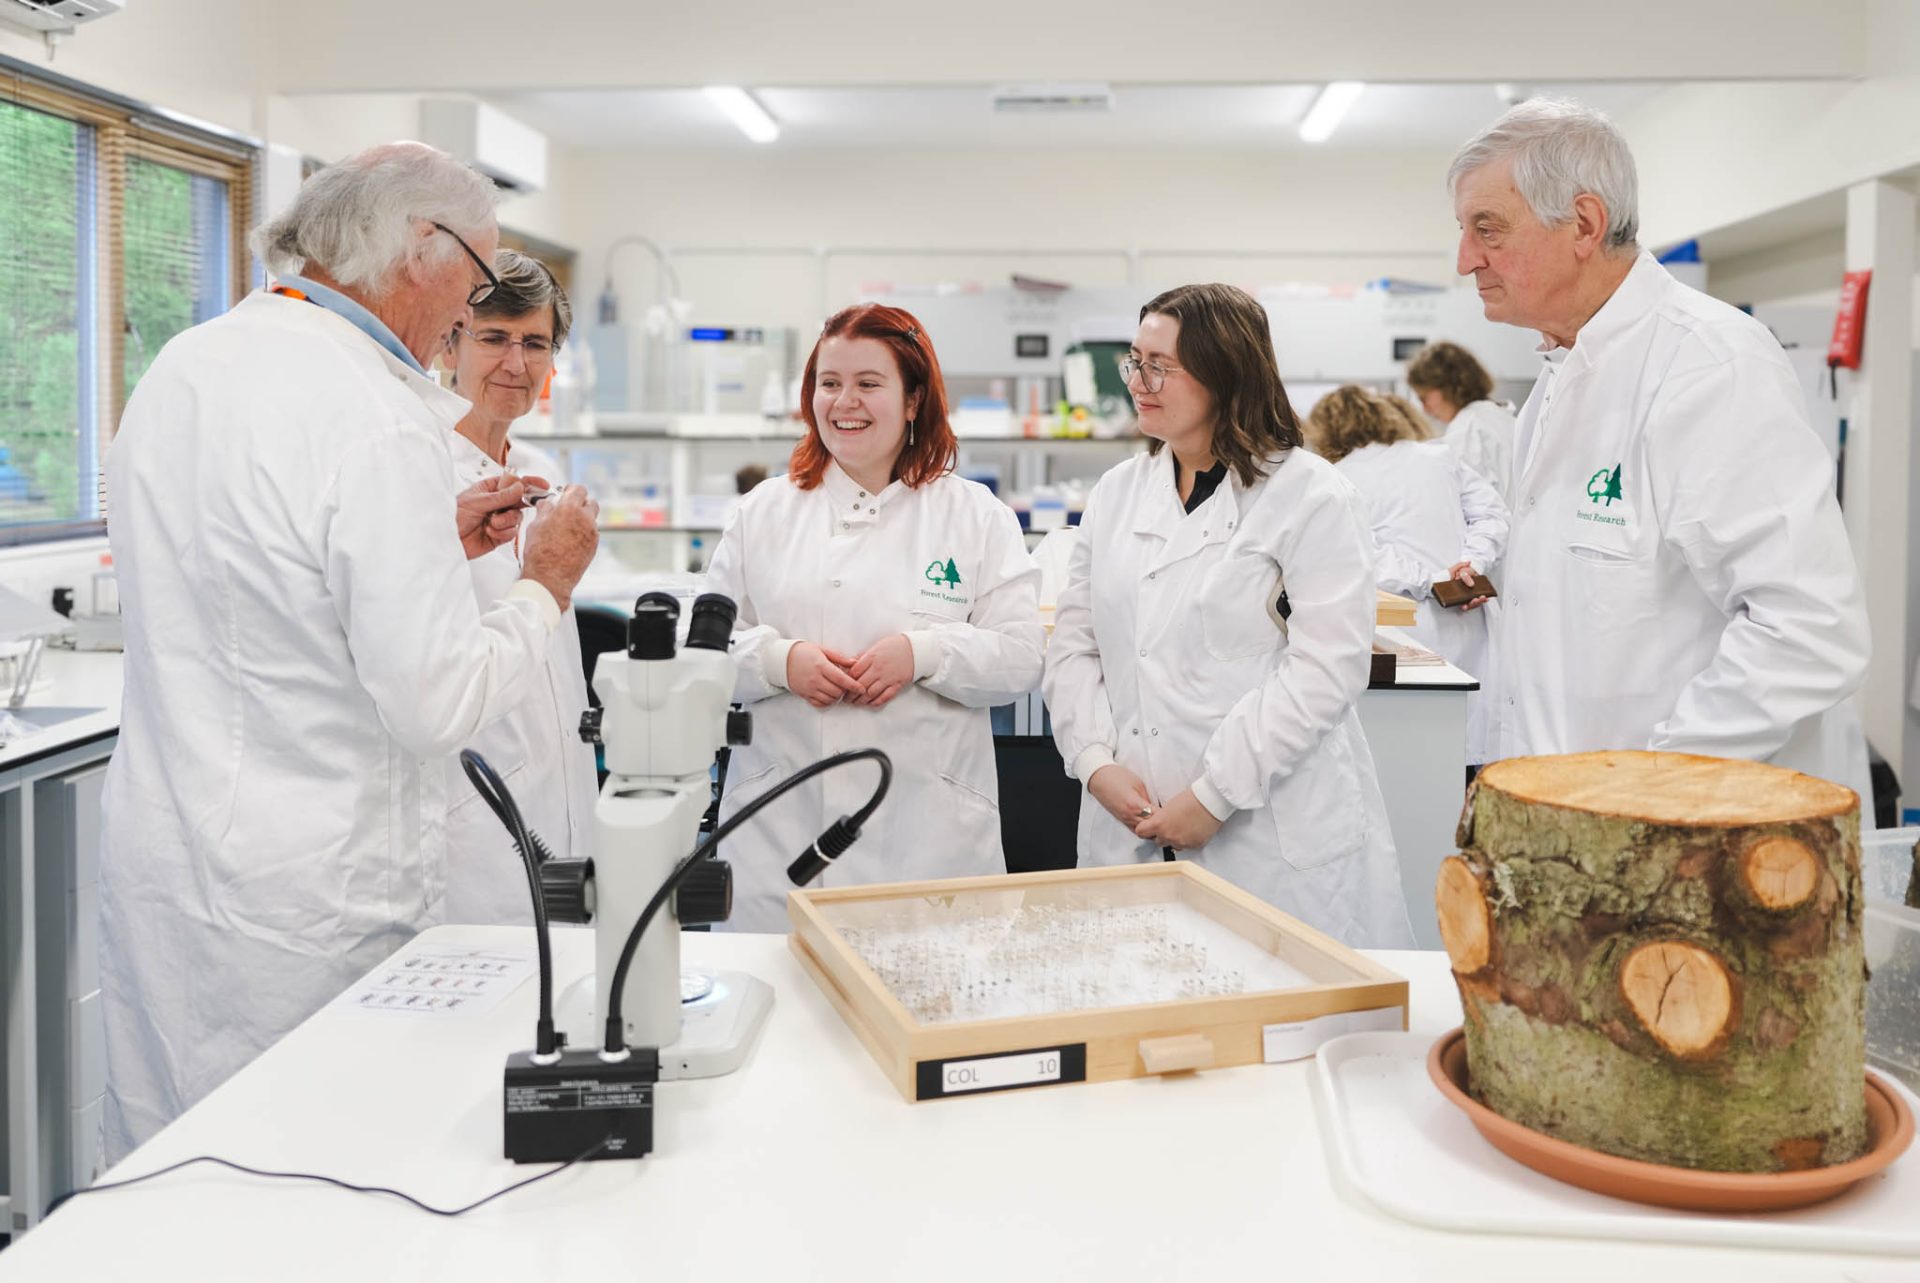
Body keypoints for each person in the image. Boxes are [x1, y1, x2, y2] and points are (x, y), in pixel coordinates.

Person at [101, 143, 600, 1159]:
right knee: (325, 1182)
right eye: (471, 282)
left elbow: (259, 574)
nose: (466, 317)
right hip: (316, 896)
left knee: (178, 1171)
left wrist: (426, 541)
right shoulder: (377, 413)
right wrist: (544, 581)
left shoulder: (189, 362)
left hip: (178, 857)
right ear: (422, 246)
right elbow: (438, 701)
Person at [1448, 99, 1870, 795]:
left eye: (1486, 229)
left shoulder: (1708, 365)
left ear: (1584, 223)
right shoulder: (1559, 378)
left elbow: (1808, 630)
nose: (1467, 260)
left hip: (1681, 835)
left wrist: (1641, 789)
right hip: (1563, 814)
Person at [1043, 284, 1413, 948]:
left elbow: (1326, 669)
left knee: (1277, 1022)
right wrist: (1093, 760)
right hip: (1129, 820)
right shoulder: (1116, 494)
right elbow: (1075, 645)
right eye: (1135, 360)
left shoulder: (1310, 496)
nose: (1138, 381)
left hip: (1265, 833)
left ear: (1225, 372)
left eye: (1161, 365)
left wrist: (1216, 793)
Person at [703, 303, 1043, 930]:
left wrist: (927, 654)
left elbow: (1021, 656)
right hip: (783, 837)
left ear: (913, 399)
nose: (843, 402)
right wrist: (779, 661)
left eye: (868, 384)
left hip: (927, 846)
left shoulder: (973, 515)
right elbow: (699, 653)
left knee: (933, 1011)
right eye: (829, 383)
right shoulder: (763, 513)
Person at [436, 250, 598, 923]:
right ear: (450, 342)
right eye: (494, 338)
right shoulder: (419, 467)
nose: (516, 362)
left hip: (563, 791)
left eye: (535, 342)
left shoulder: (541, 468)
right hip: (470, 810)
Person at [1304, 386, 1508, 762]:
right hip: (1470, 618)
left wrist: (1430, 579)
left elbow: (1362, 556)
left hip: (1404, 632)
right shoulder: (1441, 457)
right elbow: (1493, 516)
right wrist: (1470, 567)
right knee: (1469, 756)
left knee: (1413, 761)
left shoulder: (1336, 479)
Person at [1407, 340, 1518, 502]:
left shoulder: (1466, 429)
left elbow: (1468, 506)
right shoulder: (1501, 417)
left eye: (1425, 398)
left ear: (1448, 386)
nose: (1425, 409)